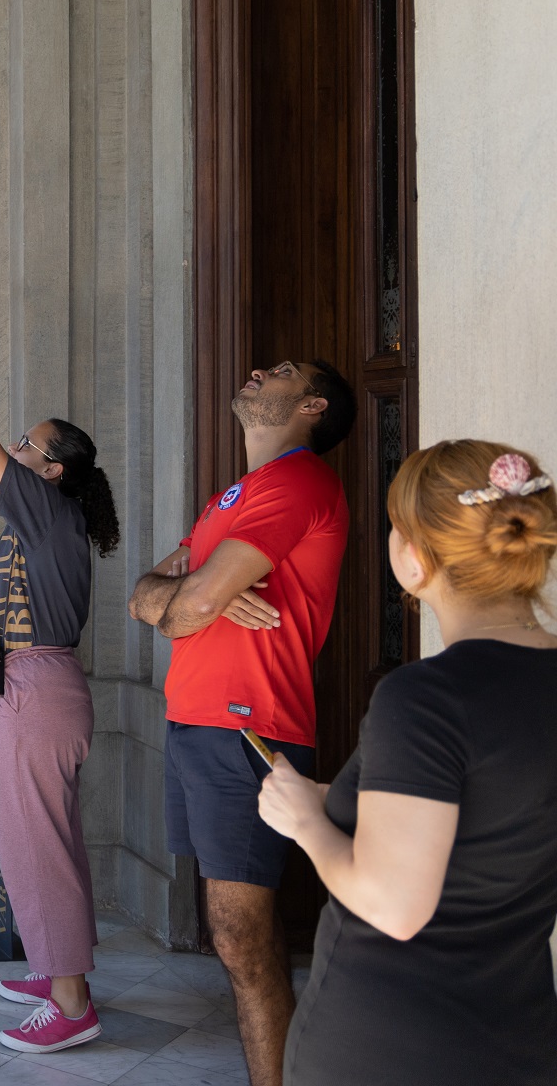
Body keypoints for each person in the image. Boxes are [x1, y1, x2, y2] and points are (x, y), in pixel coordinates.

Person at [261, 441, 557, 1085]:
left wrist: (307, 820)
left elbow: (395, 907)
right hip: (521, 1038)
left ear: (414, 558)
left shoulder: (426, 697)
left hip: (387, 1044)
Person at [128, 357, 356, 1086]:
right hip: (200, 721)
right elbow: (145, 592)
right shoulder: (236, 495)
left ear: (312, 405)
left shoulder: (297, 481)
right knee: (234, 938)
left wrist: (195, 598)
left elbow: (182, 608)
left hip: (248, 727)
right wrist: (188, 595)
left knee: (243, 940)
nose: (257, 370)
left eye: (281, 371)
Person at [0, 310, 120, 1054]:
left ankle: (70, 1004)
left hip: (34, 693)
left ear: (51, 470)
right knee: (43, 843)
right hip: (35, 688)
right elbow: (32, 591)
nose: (13, 449)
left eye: (29, 445)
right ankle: (57, 968)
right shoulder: (43, 522)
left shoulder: (48, 506)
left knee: (35, 847)